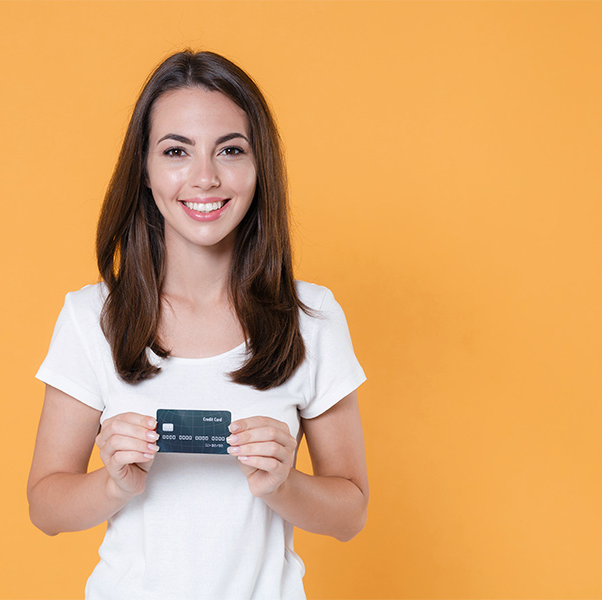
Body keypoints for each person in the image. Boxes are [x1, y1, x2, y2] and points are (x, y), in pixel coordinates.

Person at [27, 50, 369, 600]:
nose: (204, 177)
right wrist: (112, 484)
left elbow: (349, 514)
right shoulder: (92, 318)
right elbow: (45, 506)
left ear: (260, 167)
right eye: (176, 151)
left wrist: (284, 483)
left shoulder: (313, 318)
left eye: (230, 150)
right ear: (145, 167)